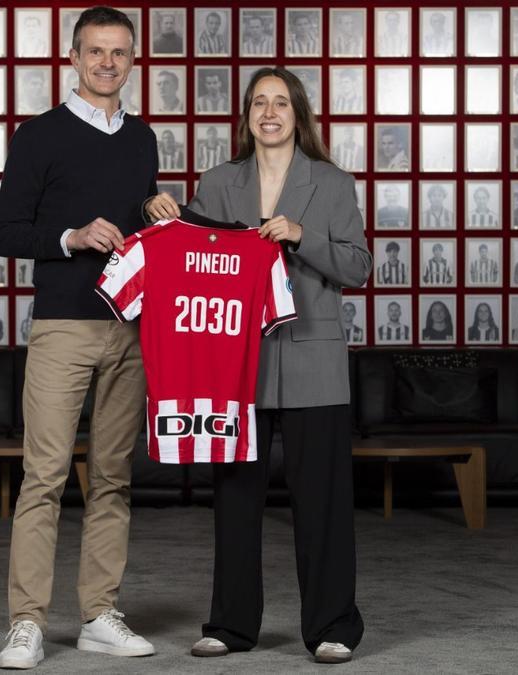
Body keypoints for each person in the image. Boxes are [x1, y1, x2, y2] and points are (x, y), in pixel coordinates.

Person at [144, 66, 371, 665]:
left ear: (298, 115)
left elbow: (357, 266)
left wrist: (301, 235)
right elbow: (189, 246)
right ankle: (231, 625)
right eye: (259, 103)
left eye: (281, 103)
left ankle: (334, 626)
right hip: (235, 365)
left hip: (313, 361)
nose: (269, 113)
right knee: (235, 502)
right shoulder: (220, 181)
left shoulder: (332, 182)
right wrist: (158, 211)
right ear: (246, 116)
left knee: (321, 503)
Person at [0, 8, 158, 668]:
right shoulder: (39, 135)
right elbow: (5, 233)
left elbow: (140, 231)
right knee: (44, 477)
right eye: (95, 51)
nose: (107, 63)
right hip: (62, 325)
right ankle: (26, 621)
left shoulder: (142, 139)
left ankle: (98, 614)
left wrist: (157, 212)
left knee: (113, 477)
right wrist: (71, 236)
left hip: (130, 328)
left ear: (132, 60)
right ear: (73, 57)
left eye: (119, 52)